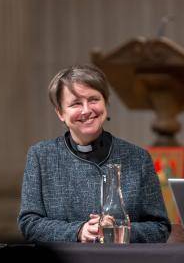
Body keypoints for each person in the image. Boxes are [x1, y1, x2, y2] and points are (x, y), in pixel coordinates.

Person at [18, 64, 171, 243]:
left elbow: (160, 228)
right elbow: (29, 224)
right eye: (75, 103)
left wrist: (118, 230)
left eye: (93, 100)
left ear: (105, 103)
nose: (86, 110)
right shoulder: (41, 156)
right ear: (60, 113)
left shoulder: (138, 158)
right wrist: (79, 231)